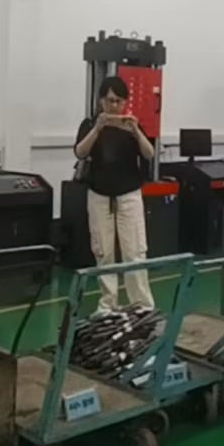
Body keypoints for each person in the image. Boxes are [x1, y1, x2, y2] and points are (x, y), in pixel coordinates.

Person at [73, 76, 155, 313]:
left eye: (119, 101)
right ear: (101, 101)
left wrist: (136, 131)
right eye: (110, 100)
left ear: (126, 102)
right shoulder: (90, 124)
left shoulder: (131, 126)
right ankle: (108, 304)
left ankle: (141, 305)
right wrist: (97, 128)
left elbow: (149, 154)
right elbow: (80, 152)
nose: (114, 106)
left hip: (128, 195)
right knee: (103, 252)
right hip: (100, 196)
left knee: (134, 252)